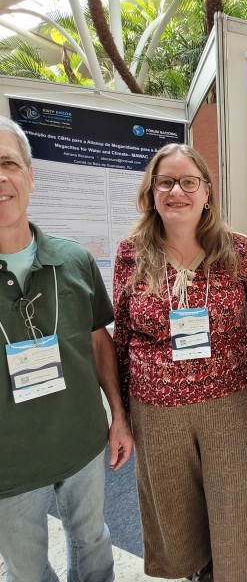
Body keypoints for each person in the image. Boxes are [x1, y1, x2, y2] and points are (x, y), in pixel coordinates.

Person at [112, 143, 247, 582]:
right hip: (156, 409)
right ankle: (196, 571)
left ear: (206, 191)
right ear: (151, 191)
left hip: (227, 403)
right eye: (165, 182)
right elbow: (123, 335)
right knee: (174, 512)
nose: (176, 192)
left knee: (232, 507)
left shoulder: (234, 249)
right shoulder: (131, 253)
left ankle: (239, 574)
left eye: (189, 182)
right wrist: (121, 416)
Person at [0, 116, 133, 582]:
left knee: (94, 546)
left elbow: (100, 341)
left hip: (82, 445)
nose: (0, 178)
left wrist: (118, 414)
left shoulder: (74, 260)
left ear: (30, 176)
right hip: (8, 467)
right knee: (27, 571)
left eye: (8, 163)